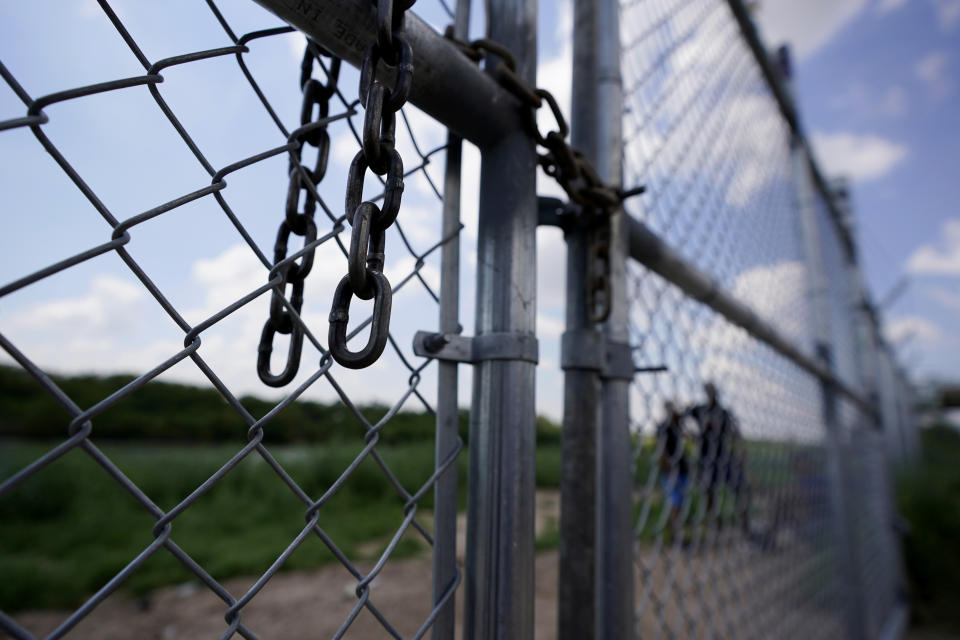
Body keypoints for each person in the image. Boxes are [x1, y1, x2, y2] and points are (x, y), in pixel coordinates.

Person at [687, 382, 743, 518]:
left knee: (736, 486)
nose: (711, 394)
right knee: (708, 489)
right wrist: (692, 434)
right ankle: (712, 518)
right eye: (708, 391)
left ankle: (740, 516)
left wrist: (738, 450)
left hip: (722, 454)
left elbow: (733, 431)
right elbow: (684, 416)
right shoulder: (699, 409)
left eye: (712, 391)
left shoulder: (722, 412)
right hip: (705, 455)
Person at [656, 401, 690, 537]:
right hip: (671, 470)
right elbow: (662, 450)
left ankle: (678, 531)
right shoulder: (663, 427)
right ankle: (675, 533)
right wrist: (667, 468)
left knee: (679, 502)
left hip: (682, 469)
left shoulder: (678, 426)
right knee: (674, 501)